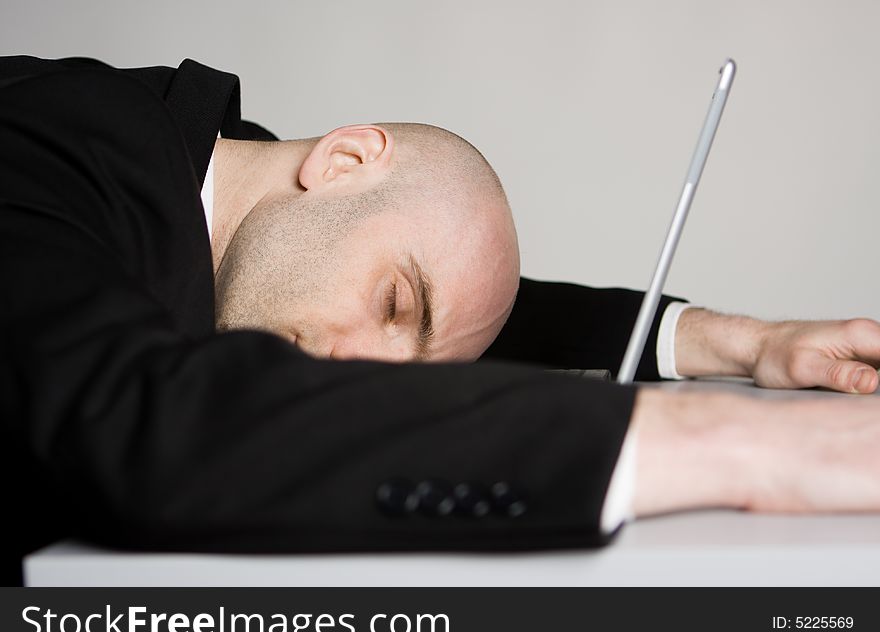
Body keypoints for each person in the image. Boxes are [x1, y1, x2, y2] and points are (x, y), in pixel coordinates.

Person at [2, 56, 879, 587]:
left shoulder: (237, 200)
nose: (366, 369)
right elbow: (141, 424)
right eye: (393, 304)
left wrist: (744, 342)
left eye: (410, 357)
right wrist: (738, 444)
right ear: (345, 159)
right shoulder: (38, 144)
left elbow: (484, 309)